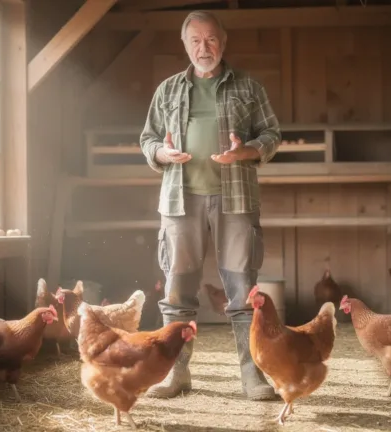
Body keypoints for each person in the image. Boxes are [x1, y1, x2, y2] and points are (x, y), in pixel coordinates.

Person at [139, 10, 281, 401]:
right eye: (196, 40)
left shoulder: (248, 86)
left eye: (211, 39)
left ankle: (252, 377)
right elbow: (148, 139)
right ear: (185, 44)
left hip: (236, 199)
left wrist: (244, 151)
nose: (204, 48)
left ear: (223, 41)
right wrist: (163, 153)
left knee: (243, 289)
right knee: (177, 290)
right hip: (179, 200)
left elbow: (272, 134)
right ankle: (175, 374)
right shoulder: (168, 90)